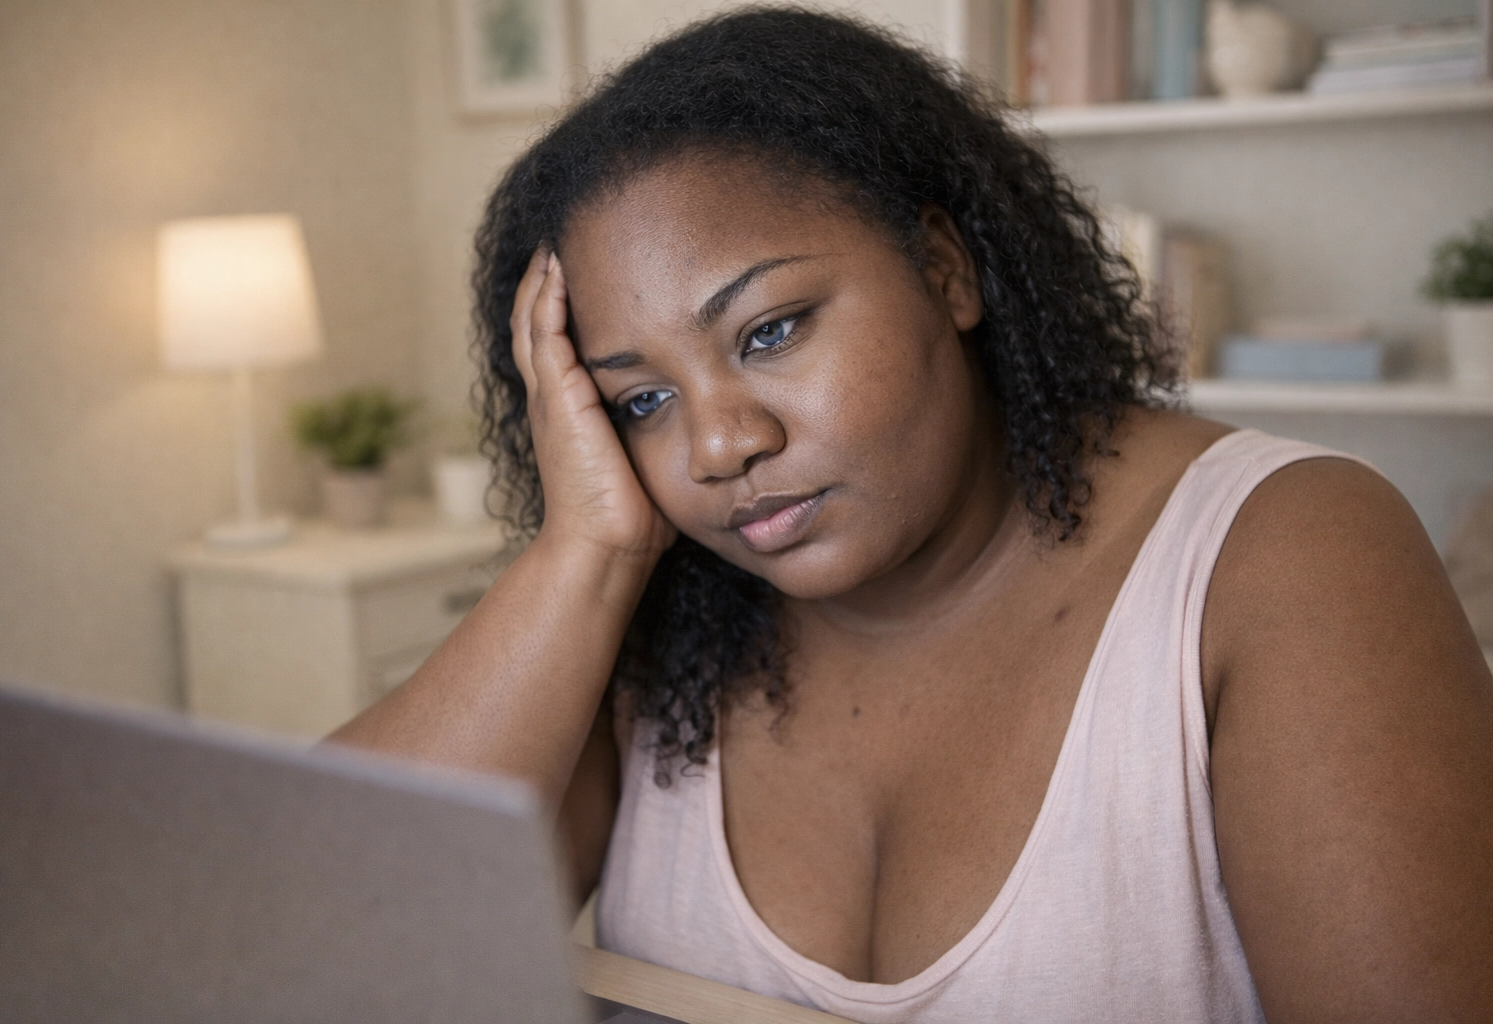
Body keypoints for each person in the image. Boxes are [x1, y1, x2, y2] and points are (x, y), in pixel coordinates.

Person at [329, 9, 1493, 1021]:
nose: (721, 444)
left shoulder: (1285, 555)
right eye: (640, 398)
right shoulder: (657, 626)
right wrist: (585, 551)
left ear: (946, 266)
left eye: (772, 331)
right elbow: (307, 949)